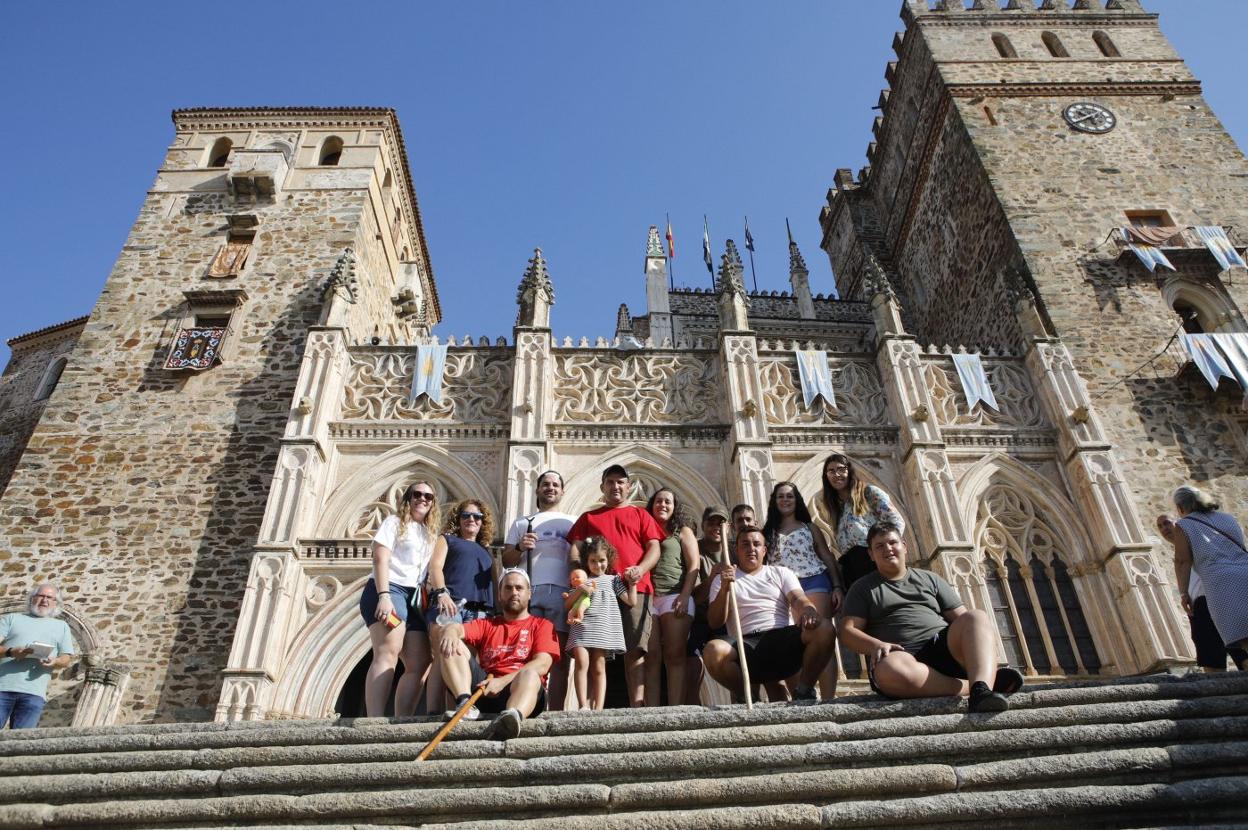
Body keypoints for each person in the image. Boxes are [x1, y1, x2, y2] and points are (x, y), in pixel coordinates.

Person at [839, 522, 1024, 713]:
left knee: (976, 617)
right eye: (879, 546)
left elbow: (965, 621)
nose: (888, 549)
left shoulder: (930, 579)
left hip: (942, 648)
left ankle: (981, 685)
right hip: (900, 657)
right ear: (870, 554)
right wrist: (875, 645)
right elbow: (847, 631)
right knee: (890, 671)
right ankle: (979, 688)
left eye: (892, 543)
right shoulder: (861, 588)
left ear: (904, 546)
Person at [567, 464, 664, 707]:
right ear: (602, 487)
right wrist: (578, 575)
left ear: (629, 487)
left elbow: (654, 547)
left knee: (635, 650)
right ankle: (588, 708)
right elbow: (575, 549)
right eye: (610, 482)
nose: (615, 486)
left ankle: (637, 707)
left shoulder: (641, 515)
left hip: (633, 589)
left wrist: (640, 570)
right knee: (591, 650)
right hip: (596, 594)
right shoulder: (588, 517)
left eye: (621, 482)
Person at [703, 528, 838, 702]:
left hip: (779, 639)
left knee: (825, 628)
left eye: (756, 544)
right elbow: (715, 622)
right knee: (713, 651)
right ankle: (747, 696)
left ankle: (804, 690)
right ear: (736, 550)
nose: (751, 548)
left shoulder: (780, 573)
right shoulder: (723, 579)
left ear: (764, 550)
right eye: (745, 544)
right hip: (744, 645)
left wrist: (808, 609)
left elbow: (798, 598)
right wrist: (724, 590)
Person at [437, 568, 561, 739]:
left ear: (529, 594)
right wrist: (451, 629)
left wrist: (502, 682)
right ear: (500, 595)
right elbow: (457, 629)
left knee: (531, 674)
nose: (514, 592)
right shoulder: (488, 624)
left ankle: (511, 718)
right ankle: (465, 705)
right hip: (485, 691)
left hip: (523, 692)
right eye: (508, 588)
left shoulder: (542, 625)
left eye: (519, 588)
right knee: (452, 642)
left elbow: (543, 664)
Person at [362, 481, 439, 717]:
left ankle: (401, 720)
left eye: (429, 496)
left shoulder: (431, 533)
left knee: (420, 661)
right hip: (389, 589)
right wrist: (384, 596)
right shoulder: (394, 523)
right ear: (408, 498)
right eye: (417, 494)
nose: (423, 499)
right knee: (387, 651)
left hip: (414, 598)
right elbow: (380, 558)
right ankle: (373, 720)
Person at [762, 481, 845, 698]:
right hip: (782, 589)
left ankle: (829, 699)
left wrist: (837, 586)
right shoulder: (768, 532)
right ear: (774, 501)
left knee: (824, 634)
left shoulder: (810, 528)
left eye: (790, 496)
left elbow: (826, 556)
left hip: (814, 580)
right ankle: (803, 695)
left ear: (796, 500)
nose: (785, 500)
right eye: (781, 496)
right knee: (792, 642)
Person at [502, 471, 576, 710]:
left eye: (555, 484)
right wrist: (520, 547)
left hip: (562, 592)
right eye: (545, 484)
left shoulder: (571, 522)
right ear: (537, 490)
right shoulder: (522, 522)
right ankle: (526, 707)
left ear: (562, 491)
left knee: (559, 657)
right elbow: (506, 560)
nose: (550, 488)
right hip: (528, 592)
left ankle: (554, 711)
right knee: (524, 654)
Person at [1161, 486, 1248, 665]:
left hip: (1221, 583)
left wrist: (1184, 593)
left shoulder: (1184, 525)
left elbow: (1182, 561)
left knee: (1244, 641)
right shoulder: (1228, 518)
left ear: (1180, 508)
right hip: (1245, 574)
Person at [426, 499, 497, 710]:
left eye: (477, 516)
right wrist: (441, 593)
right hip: (451, 603)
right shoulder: (447, 540)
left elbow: (493, 582)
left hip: (479, 612)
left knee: (464, 660)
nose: (472, 520)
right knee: (444, 653)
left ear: (483, 522)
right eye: (466, 515)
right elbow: (435, 567)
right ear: (458, 519)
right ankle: (431, 711)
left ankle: (457, 708)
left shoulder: (487, 551)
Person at [565, 537, 638, 709]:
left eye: (602, 560)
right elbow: (568, 604)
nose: (598, 565)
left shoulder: (614, 580)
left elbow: (631, 601)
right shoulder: (581, 580)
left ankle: (598, 708)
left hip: (602, 629)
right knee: (581, 662)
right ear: (586, 561)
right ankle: (583, 705)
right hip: (581, 627)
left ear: (609, 559)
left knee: (599, 666)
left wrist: (633, 584)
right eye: (593, 561)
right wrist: (580, 590)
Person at [644, 488, 700, 707]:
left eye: (668, 501)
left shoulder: (682, 531)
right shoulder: (646, 530)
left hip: (675, 595)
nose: (663, 505)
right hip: (650, 598)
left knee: (675, 654)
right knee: (651, 656)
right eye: (658, 501)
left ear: (675, 507)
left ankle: (675, 708)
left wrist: (686, 595)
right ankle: (652, 710)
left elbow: (694, 564)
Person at [820, 454, 905, 591]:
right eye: (831, 471)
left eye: (841, 469)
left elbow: (896, 521)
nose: (837, 474)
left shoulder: (869, 492)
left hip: (871, 558)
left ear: (849, 471)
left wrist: (886, 550)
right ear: (826, 476)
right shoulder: (838, 508)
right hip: (850, 565)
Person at [0, 584, 76, 729]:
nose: (44, 600)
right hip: (2, 688)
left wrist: (55, 661)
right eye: (40, 596)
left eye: (49, 597)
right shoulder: (12, 618)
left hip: (34, 693)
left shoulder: (62, 626)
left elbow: (66, 659)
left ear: (56, 603)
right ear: (32, 598)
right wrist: (11, 652)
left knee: (21, 743)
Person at [686, 505, 730, 704]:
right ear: (703, 525)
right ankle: (692, 708)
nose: (716, 527)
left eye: (720, 523)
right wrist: (713, 576)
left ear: (727, 527)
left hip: (728, 618)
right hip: (701, 617)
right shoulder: (695, 549)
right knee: (691, 658)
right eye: (711, 523)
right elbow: (695, 597)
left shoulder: (736, 550)